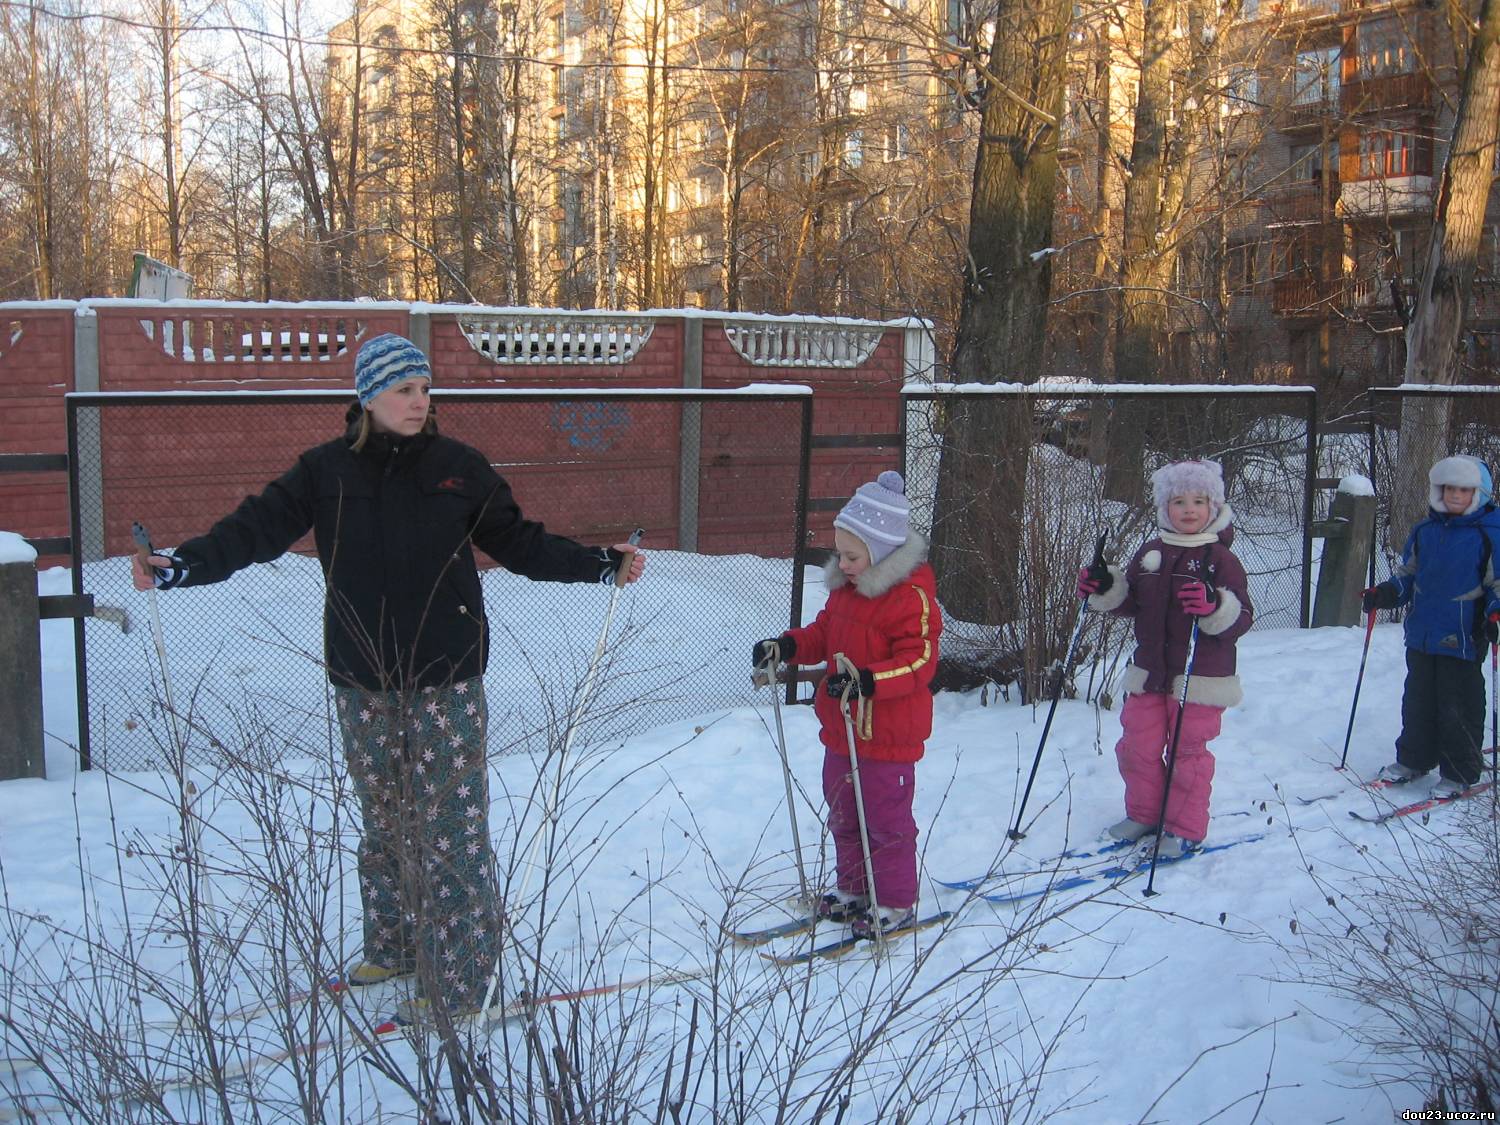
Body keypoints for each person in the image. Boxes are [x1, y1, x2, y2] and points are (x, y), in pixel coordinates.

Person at [131, 332, 645, 1020]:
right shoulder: (324, 472)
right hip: (361, 675)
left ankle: (464, 984)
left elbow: (520, 541)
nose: (419, 401)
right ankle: (397, 945)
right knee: (384, 818)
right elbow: (254, 528)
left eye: (425, 389)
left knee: (451, 828)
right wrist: (185, 565)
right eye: (404, 389)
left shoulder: (459, 468)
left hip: (446, 676)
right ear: (368, 397)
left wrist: (599, 564)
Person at [752, 471, 941, 937]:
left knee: (886, 821)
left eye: (853, 556)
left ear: (882, 550)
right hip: (842, 730)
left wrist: (868, 682)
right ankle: (854, 888)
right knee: (844, 813)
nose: (845, 563)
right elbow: (824, 633)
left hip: (886, 735)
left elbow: (919, 661)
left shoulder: (910, 598)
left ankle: (895, 901)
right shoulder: (846, 591)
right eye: (841, 554)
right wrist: (788, 647)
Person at [1076, 459, 1253, 856]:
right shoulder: (1151, 552)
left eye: (1198, 501)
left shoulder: (1220, 559)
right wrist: (1105, 587)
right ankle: (1145, 813)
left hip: (1200, 677)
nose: (1189, 510)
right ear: (1164, 507)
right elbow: (1131, 602)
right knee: (1136, 746)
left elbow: (1242, 617)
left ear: (1213, 507)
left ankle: (1184, 829)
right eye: (1178, 501)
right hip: (1151, 673)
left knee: (1186, 754)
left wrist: (1214, 606)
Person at [1361, 455, 1500, 797]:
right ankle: (1415, 758)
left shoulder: (1490, 533)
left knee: (1458, 704)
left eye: (1464, 490)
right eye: (1449, 488)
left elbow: (1497, 584)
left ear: (1479, 494)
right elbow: (1407, 575)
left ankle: (1459, 771)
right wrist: (1385, 593)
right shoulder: (1424, 531)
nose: (1455, 495)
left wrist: (1496, 614)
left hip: (1463, 637)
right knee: (1418, 700)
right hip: (1422, 634)